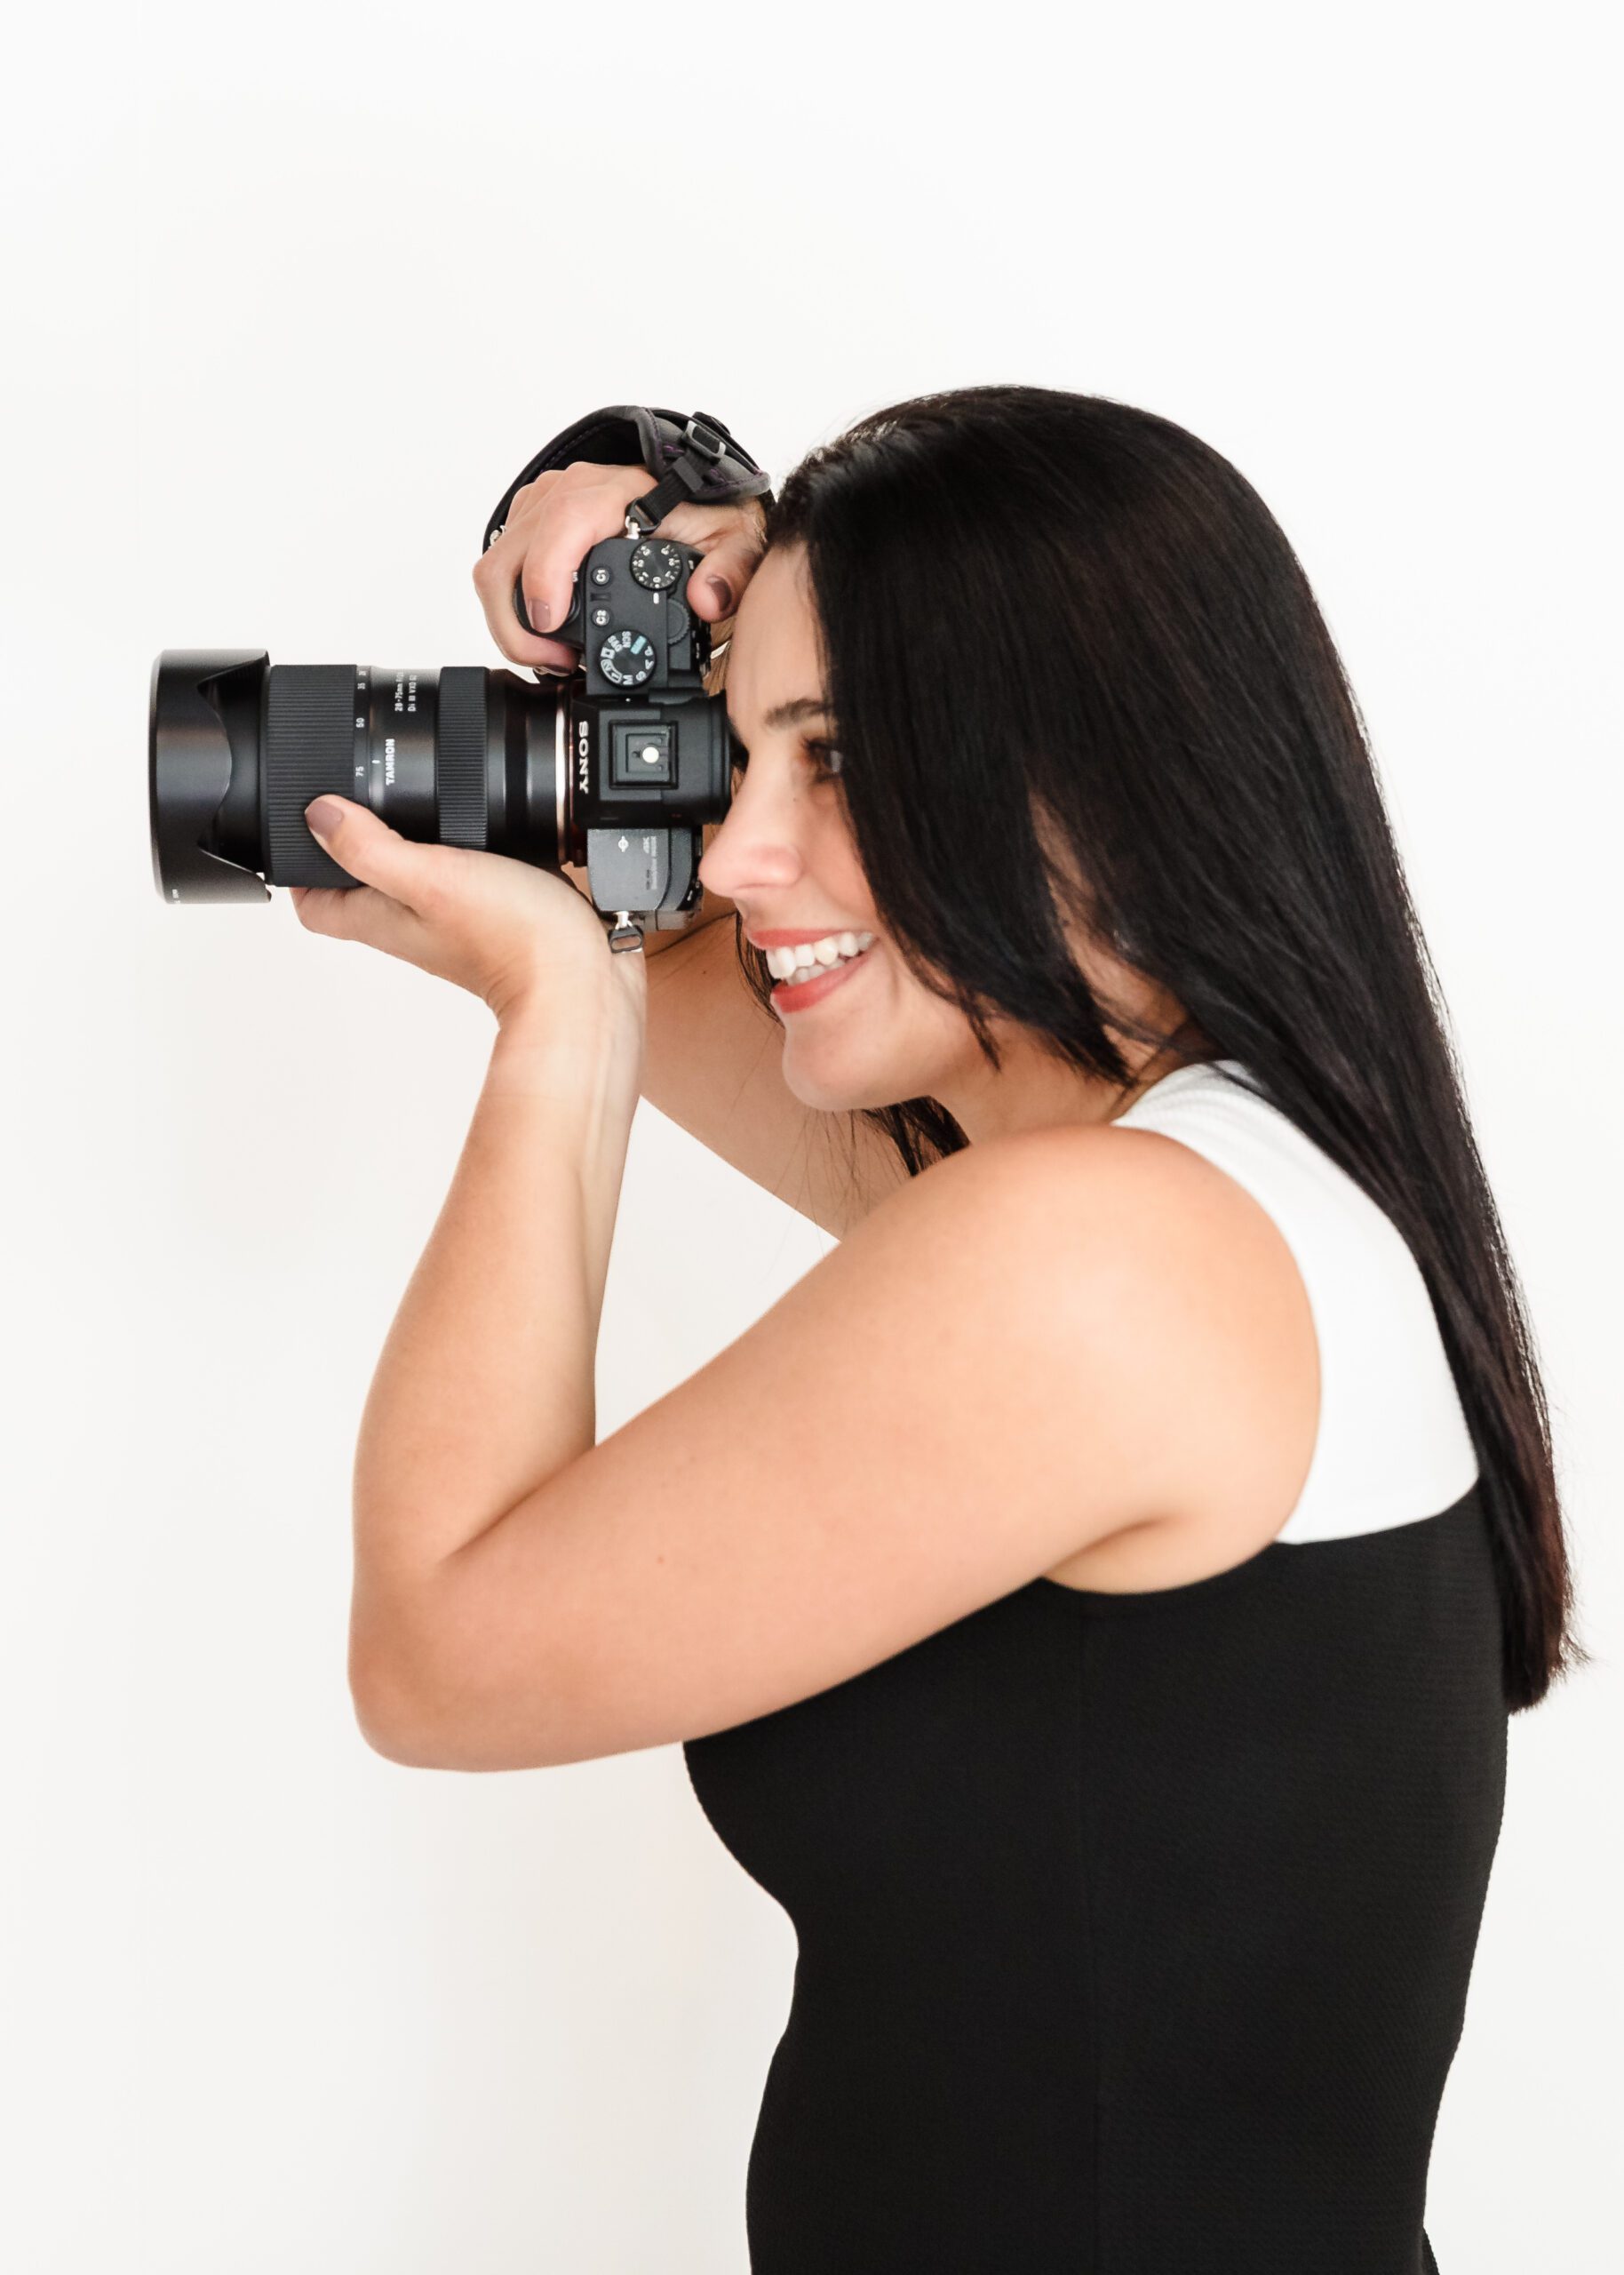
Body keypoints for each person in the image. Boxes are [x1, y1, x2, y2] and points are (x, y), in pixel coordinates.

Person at [291, 386, 1582, 2271]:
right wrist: (656, 529)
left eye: (832, 759)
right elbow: (705, 950)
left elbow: (440, 1645)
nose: (738, 850)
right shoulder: (1202, 1181)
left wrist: (555, 1017)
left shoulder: (1101, 1257)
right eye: (738, 761)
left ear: (1093, 766)